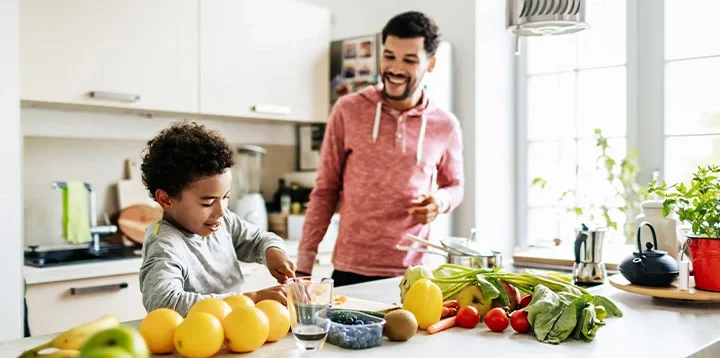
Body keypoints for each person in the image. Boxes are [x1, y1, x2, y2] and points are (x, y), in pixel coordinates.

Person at [296, 11, 465, 286]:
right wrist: (303, 267)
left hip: (413, 273)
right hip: (350, 270)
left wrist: (439, 202)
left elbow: (455, 186)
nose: (395, 69)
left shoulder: (445, 125)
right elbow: (325, 191)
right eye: (389, 56)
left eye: (409, 60)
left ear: (430, 64)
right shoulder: (347, 110)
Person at [138, 121, 296, 316]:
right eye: (207, 202)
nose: (221, 211)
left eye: (226, 197)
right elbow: (165, 303)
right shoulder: (164, 245)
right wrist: (252, 299)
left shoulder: (224, 222)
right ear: (165, 199)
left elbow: (258, 240)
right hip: (193, 343)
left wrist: (272, 251)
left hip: (233, 336)